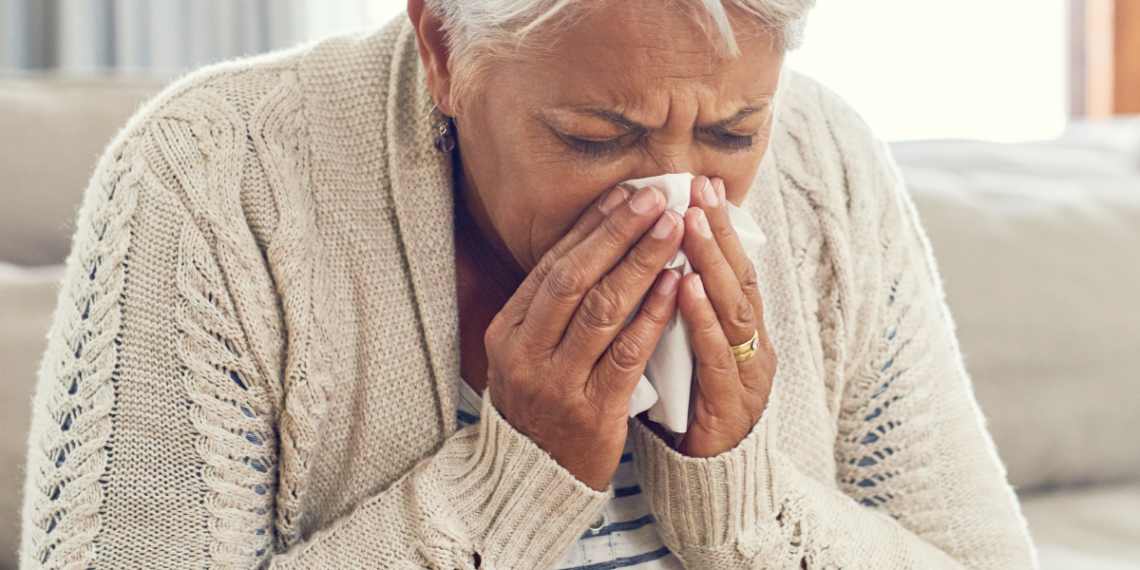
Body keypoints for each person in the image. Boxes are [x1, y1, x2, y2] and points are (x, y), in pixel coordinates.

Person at [19, 0, 1036, 568]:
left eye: (732, 134)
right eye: (596, 137)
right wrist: (508, 491)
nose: (674, 197)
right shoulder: (209, 182)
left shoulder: (829, 162)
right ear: (442, 47)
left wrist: (743, 506)